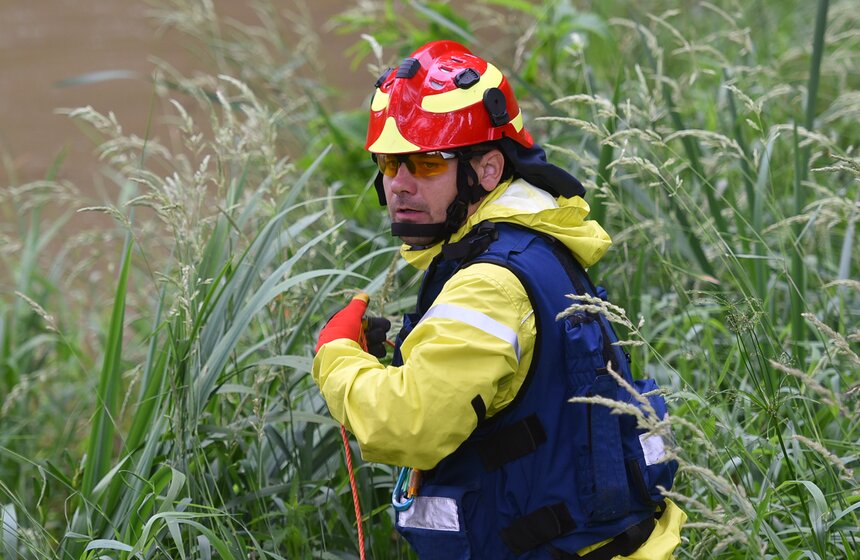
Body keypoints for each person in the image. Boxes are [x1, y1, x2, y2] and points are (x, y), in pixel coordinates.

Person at [312, 40, 685, 559]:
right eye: (389, 161)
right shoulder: (535, 243)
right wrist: (401, 336)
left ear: (487, 170)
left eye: (424, 164)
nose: (397, 184)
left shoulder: (488, 283)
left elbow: (409, 423)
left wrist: (335, 355)